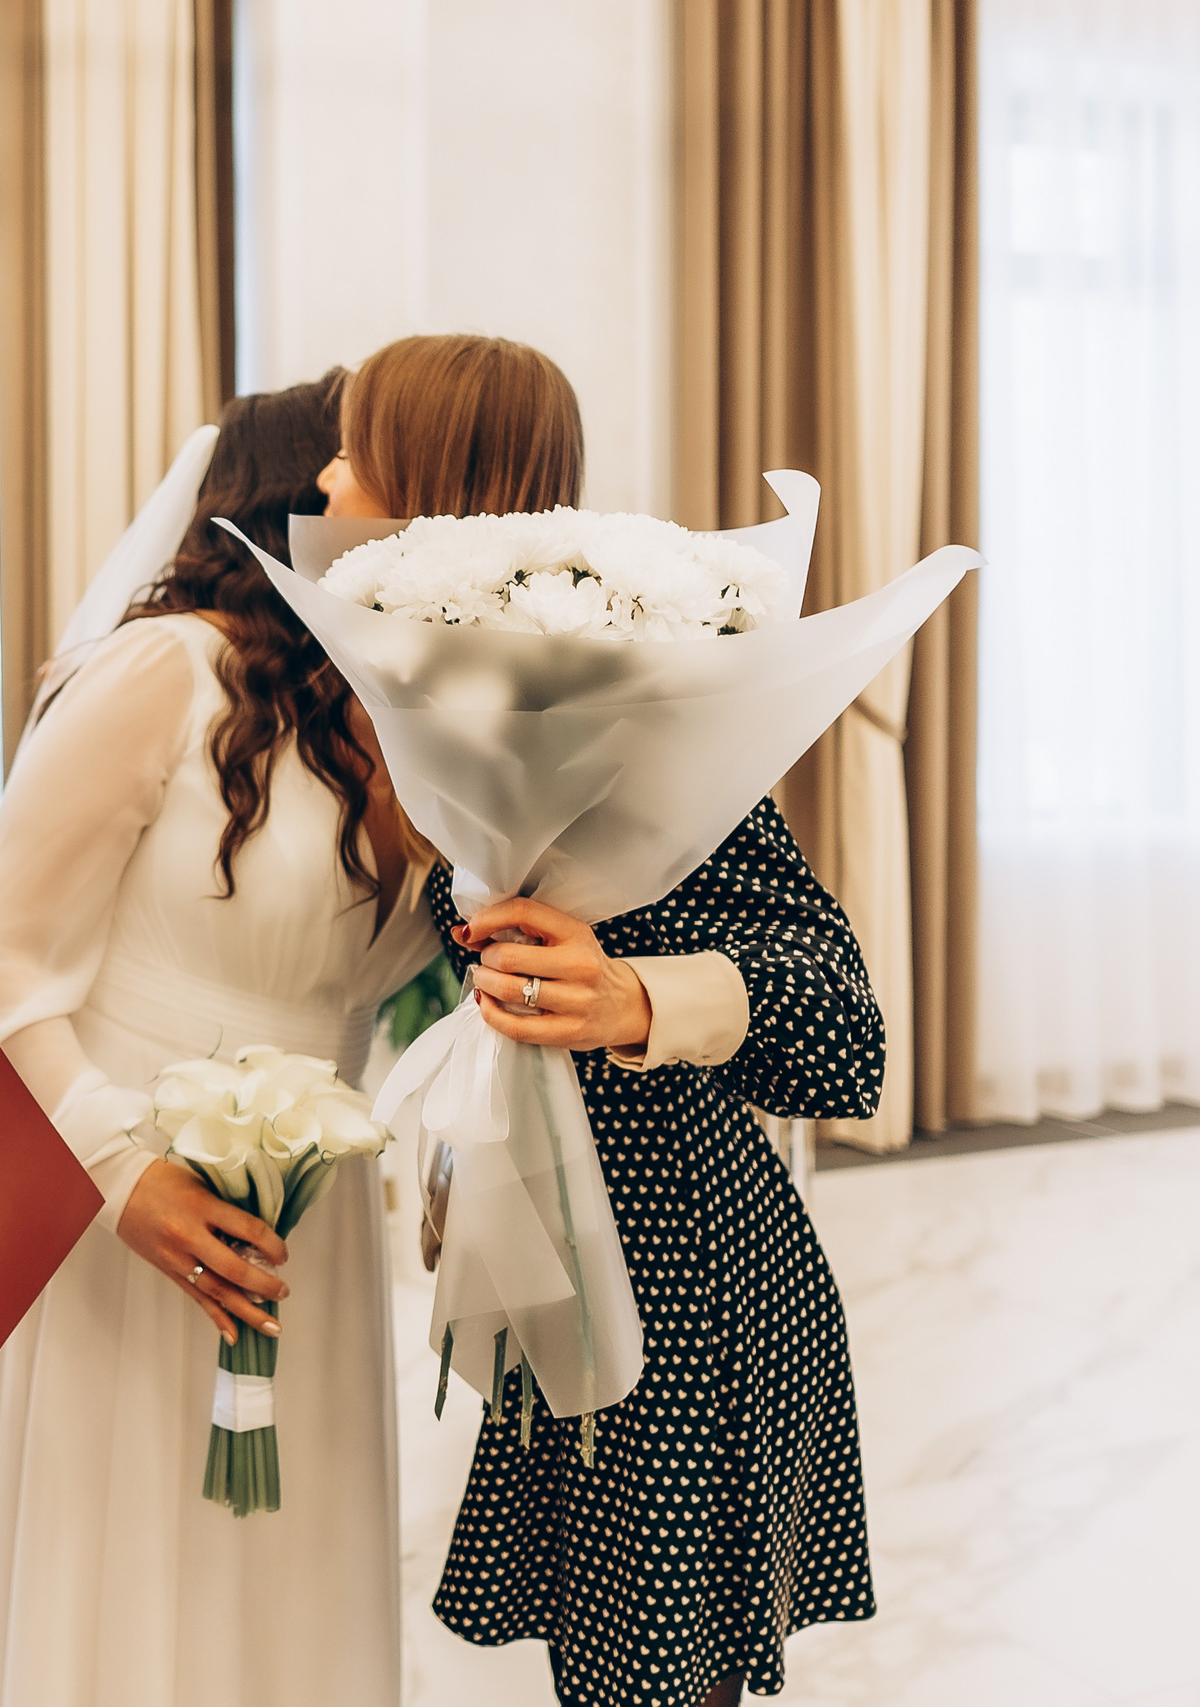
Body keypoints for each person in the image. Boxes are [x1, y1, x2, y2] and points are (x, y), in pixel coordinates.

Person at [325, 333, 882, 1707]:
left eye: (356, 448)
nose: (327, 476)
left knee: (651, 1682)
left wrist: (639, 995)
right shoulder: (426, 715)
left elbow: (848, 1027)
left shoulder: (647, 719)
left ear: (421, 491)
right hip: (557, 1270)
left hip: (684, 1287)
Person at [0, 373, 438, 1707]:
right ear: (301, 498)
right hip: (111, 1198)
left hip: (308, 1216)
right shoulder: (164, 672)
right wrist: (118, 1170)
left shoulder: (400, 725)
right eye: (365, 468)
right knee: (119, 1581)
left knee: (278, 1587)